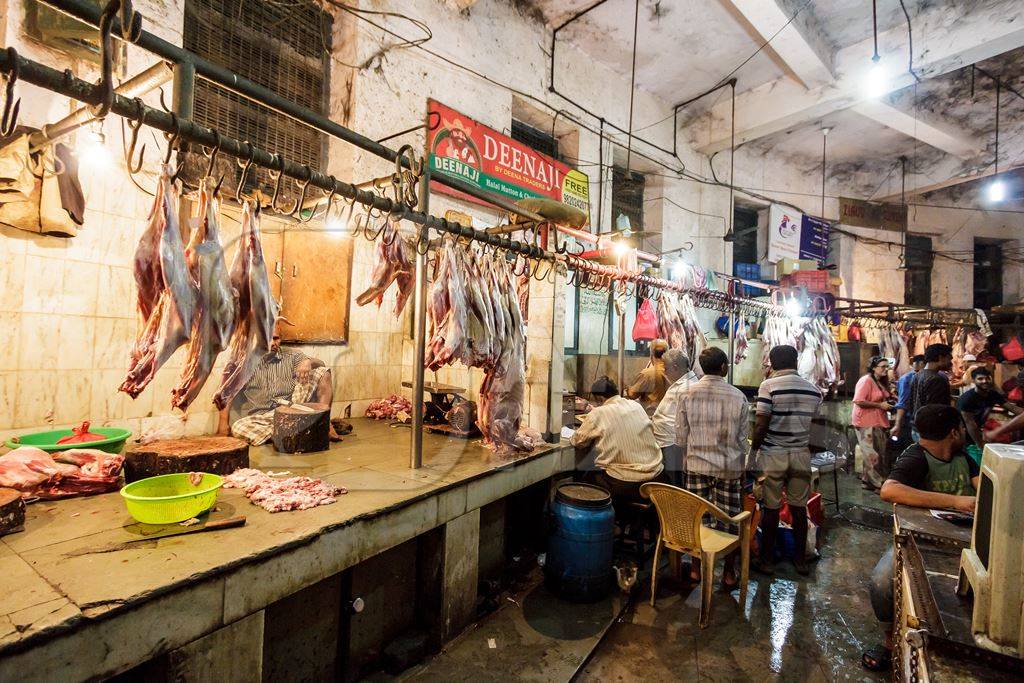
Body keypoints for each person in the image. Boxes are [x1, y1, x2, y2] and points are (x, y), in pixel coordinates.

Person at [861, 404, 978, 672]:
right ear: (954, 432)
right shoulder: (915, 457)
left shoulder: (964, 458)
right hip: (919, 540)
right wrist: (955, 501)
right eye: (962, 428)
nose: (964, 433)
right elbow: (889, 491)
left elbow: (983, 487)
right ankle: (889, 643)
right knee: (881, 581)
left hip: (964, 539)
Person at [675, 347, 750, 588]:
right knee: (729, 519)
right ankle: (728, 573)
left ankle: (696, 570)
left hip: (696, 466)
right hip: (728, 468)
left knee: (699, 519)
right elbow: (742, 440)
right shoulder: (738, 397)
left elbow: (680, 437)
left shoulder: (687, 393)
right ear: (724, 367)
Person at [749, 345, 823, 576]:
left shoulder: (768, 386)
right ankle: (800, 561)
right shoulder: (813, 390)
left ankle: (766, 561)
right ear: (796, 361)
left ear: (772, 363)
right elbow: (818, 428)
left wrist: (753, 453)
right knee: (799, 508)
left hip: (773, 453)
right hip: (800, 454)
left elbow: (761, 424)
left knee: (771, 508)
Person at [217, 319, 340, 445]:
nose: (273, 343)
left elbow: (321, 364)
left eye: (276, 338)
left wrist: (308, 361)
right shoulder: (244, 362)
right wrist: (223, 423)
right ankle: (298, 431)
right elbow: (226, 390)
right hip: (264, 419)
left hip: (291, 412)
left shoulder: (291, 355)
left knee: (323, 372)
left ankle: (324, 422)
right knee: (238, 427)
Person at [571, 376, 665, 503]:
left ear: (599, 398)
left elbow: (578, 441)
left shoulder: (598, 413)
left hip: (625, 483)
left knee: (582, 476)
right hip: (656, 479)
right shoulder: (636, 406)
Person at [650, 349, 698, 486]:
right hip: (667, 441)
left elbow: (688, 421)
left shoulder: (688, 387)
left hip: (672, 442)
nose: (665, 372)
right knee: (670, 478)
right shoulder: (681, 384)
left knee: (674, 482)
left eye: (666, 368)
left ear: (676, 367)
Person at [852, 356, 894, 491]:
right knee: (872, 455)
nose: (886, 369)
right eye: (883, 367)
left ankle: (867, 481)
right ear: (874, 368)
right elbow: (858, 401)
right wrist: (880, 405)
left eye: (887, 366)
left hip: (878, 421)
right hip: (866, 422)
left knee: (878, 453)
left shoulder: (879, 382)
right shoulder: (866, 380)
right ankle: (877, 484)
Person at [957, 366, 1022, 446]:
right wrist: (980, 444)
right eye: (980, 379)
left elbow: (1012, 408)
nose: (985, 381)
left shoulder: (993, 394)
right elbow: (970, 424)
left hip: (978, 431)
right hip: (962, 435)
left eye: (987, 378)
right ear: (973, 380)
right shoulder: (967, 399)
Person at [906, 343, 954, 439]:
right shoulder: (936, 379)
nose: (951, 363)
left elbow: (910, 402)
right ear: (940, 358)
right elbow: (936, 410)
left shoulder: (917, 375)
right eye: (949, 358)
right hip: (931, 431)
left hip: (917, 428)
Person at [626, 339, 671, 416]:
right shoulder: (674, 372)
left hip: (652, 417)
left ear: (651, 355)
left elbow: (632, 395)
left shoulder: (647, 374)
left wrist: (627, 389)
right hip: (670, 416)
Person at [890, 354, 924, 442]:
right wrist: (898, 424)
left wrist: (897, 424)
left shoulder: (906, 378)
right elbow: (902, 403)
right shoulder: (906, 379)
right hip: (911, 419)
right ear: (921, 364)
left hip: (915, 419)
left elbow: (902, 402)